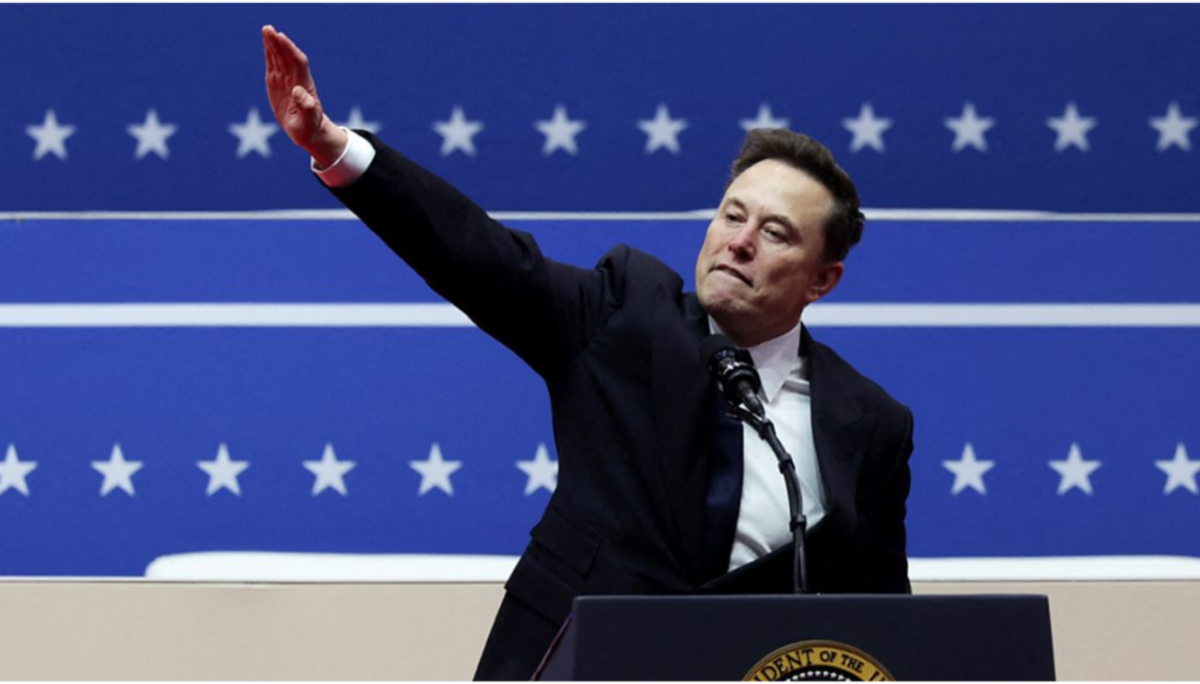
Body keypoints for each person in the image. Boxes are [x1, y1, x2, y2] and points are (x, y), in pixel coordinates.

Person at [262, 25, 914, 681]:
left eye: (774, 233)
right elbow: (478, 257)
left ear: (822, 279)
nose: (739, 242)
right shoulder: (625, 315)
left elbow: (882, 621)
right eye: (731, 215)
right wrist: (333, 148)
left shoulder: (870, 424)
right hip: (577, 664)